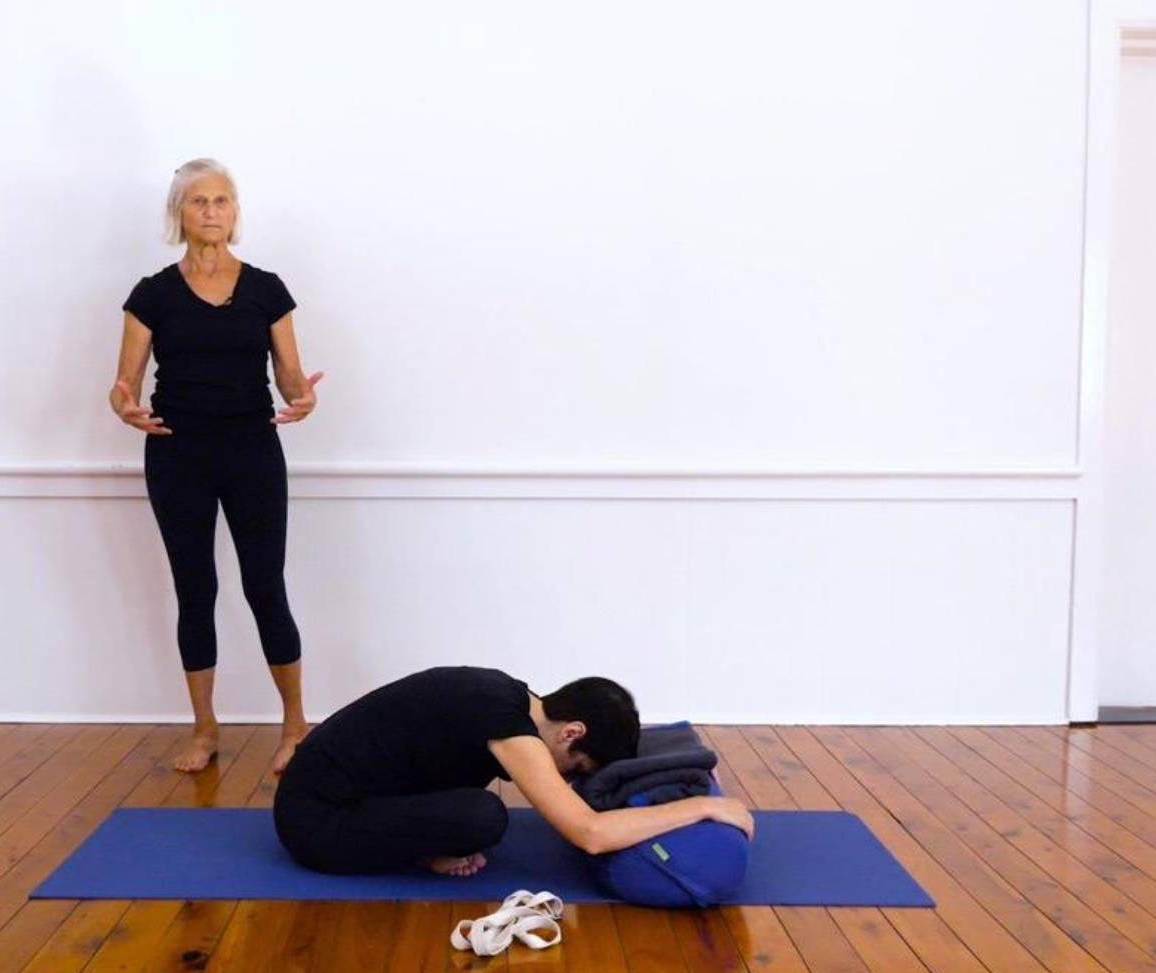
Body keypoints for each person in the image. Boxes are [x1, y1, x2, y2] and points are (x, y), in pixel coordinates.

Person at [110, 158, 323, 774]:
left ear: (235, 212)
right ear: (180, 213)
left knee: (265, 587)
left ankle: (295, 727)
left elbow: (288, 376)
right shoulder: (150, 294)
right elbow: (123, 383)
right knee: (194, 589)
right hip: (178, 454)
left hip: (251, 451)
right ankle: (205, 730)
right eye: (199, 201)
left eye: (222, 200)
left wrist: (302, 397)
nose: (211, 211)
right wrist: (123, 405)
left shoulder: (266, 289)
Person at [273, 666, 755, 875]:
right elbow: (588, 833)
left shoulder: (510, 693)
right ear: (572, 732)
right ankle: (413, 850)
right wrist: (704, 807)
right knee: (483, 818)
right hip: (317, 823)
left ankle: (415, 848)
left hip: (344, 794)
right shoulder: (507, 724)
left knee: (471, 817)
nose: (570, 778)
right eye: (578, 767)